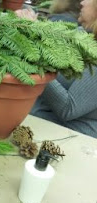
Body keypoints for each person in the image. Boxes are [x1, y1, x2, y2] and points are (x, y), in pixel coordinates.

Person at [29, 0, 97, 138]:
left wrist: (36, 63)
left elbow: (68, 109)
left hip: (70, 143)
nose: (82, 2)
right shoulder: (82, 35)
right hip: (40, 128)